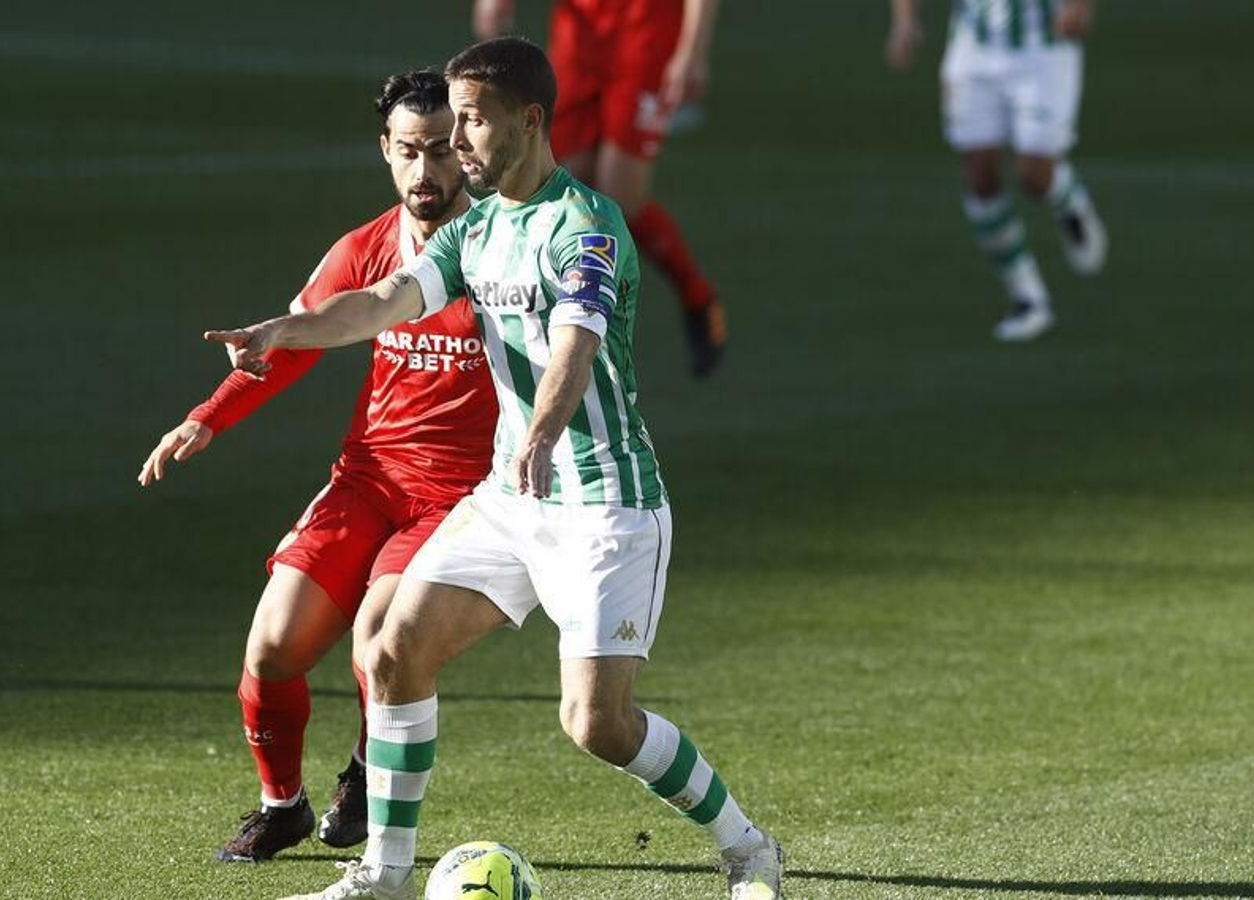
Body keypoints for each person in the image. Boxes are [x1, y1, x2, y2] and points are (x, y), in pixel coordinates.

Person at [207, 37, 784, 900]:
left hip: (604, 505)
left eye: (473, 120)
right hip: (512, 499)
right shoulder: (475, 230)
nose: (457, 140)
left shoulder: (585, 225)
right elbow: (385, 300)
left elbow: (576, 342)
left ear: (529, 120)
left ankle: (748, 847)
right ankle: (385, 874)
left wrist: (543, 432)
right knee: (395, 650)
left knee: (598, 723)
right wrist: (284, 330)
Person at [136, 70, 496, 863]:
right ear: (386, 150)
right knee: (272, 647)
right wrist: (206, 416)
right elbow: (294, 341)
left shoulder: (500, 250)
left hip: (459, 499)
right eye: (409, 151)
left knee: (380, 641)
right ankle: (283, 806)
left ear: (468, 149)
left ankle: (368, 773)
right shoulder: (364, 248)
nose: (426, 170)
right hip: (369, 479)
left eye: (442, 150)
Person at [473, 0, 729, 377]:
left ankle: (695, 296)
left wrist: (692, 50)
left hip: (645, 35)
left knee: (619, 199)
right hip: (578, 40)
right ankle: (555, 330)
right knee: (563, 185)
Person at [886, 0, 1108, 342]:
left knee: (1034, 175)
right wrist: (905, 21)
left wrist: (1080, 7)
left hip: (1043, 48)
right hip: (975, 46)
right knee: (979, 174)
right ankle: (1027, 297)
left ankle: (1068, 199)